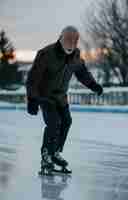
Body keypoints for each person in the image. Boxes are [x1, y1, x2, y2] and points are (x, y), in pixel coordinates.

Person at [26, 25, 103, 175]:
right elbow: (33, 78)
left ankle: (55, 152)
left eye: (74, 41)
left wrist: (93, 85)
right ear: (61, 38)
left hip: (61, 96)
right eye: (68, 39)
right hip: (45, 95)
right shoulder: (46, 54)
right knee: (54, 122)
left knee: (66, 121)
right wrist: (32, 99)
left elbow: (82, 73)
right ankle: (46, 155)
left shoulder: (76, 55)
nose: (71, 43)